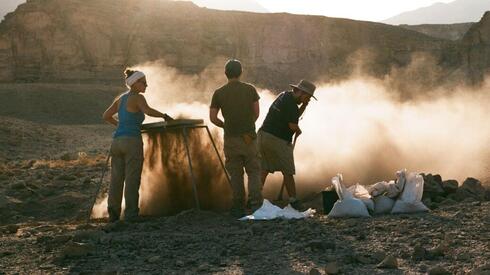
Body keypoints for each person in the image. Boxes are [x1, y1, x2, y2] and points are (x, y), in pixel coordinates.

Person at [102, 69, 173, 222]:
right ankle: (131, 215)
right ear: (134, 83)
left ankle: (113, 214)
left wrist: (121, 125)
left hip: (117, 142)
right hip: (132, 142)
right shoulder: (138, 98)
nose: (146, 85)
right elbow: (147, 111)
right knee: (132, 179)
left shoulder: (121, 99)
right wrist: (164, 116)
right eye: (144, 82)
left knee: (116, 179)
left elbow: (106, 116)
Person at [209, 59, 263, 217]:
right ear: (241, 72)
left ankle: (238, 205)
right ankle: (255, 204)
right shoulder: (250, 89)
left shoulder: (219, 93)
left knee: (236, 173)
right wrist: (247, 125)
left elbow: (213, 118)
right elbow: (257, 113)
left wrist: (225, 125)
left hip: (231, 138)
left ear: (226, 73)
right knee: (253, 171)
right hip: (249, 137)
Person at [258, 79, 316, 210]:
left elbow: (293, 116)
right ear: (300, 92)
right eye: (306, 96)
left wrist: (305, 106)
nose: (306, 99)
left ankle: (253, 199)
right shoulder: (290, 103)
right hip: (277, 139)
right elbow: (292, 124)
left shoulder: (284, 96)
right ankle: (293, 200)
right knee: (288, 170)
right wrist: (297, 130)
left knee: (264, 168)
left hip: (262, 136)